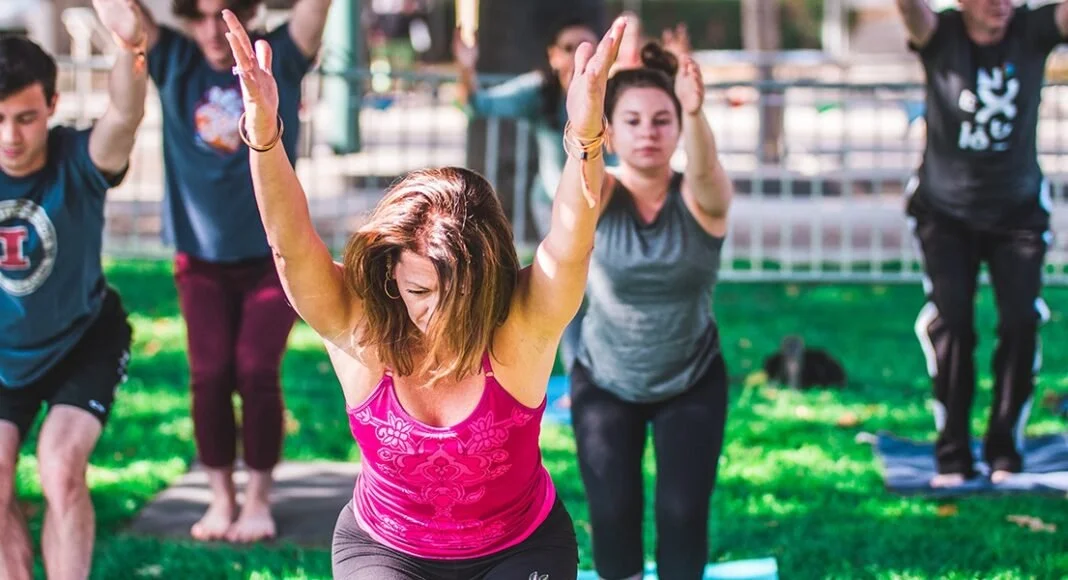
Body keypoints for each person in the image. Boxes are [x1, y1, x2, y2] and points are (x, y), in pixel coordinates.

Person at [223, 7, 628, 579]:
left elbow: (568, 247)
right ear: (390, 275)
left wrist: (585, 139)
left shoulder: (519, 325)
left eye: (456, 291)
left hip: (521, 546)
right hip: (384, 546)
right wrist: (264, 139)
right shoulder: (358, 326)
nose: (434, 310)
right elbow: (289, 246)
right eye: (417, 288)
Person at [127, 0, 332, 541]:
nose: (212, 32)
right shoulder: (174, 60)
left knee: (256, 370)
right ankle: (221, 497)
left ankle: (259, 500)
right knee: (210, 374)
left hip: (272, 257)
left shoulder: (277, 57)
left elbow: (318, 10)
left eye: (224, 16)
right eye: (198, 17)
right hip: (201, 260)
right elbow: (122, 15)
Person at [569, 42, 734, 580]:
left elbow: (708, 174)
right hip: (604, 380)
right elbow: (583, 180)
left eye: (664, 120)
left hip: (691, 381)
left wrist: (696, 108)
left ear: (679, 128)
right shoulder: (601, 195)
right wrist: (586, 117)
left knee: (682, 514)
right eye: (634, 120)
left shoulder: (700, 200)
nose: (649, 132)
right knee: (613, 513)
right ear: (612, 131)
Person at [0, 0, 148, 577]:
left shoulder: (80, 160)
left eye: (26, 117)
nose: (10, 136)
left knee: (60, 467)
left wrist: (128, 47)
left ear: (52, 107)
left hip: (81, 340)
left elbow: (123, 116)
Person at [452, 15, 689, 373]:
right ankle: (582, 371)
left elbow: (666, 103)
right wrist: (466, 68)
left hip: (607, 202)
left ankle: (624, 366)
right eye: (570, 49)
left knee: (608, 282)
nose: (581, 58)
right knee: (569, 286)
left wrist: (671, 65)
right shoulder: (537, 92)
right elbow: (476, 105)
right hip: (554, 206)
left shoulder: (615, 90)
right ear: (553, 56)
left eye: (591, 49)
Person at [894, 0, 1068, 487]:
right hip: (945, 214)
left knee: (1019, 323)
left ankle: (1004, 449)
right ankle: (952, 452)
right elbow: (910, 11)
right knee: (953, 326)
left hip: (1017, 215)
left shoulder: (1032, 28)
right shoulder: (941, 35)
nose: (1003, 5)